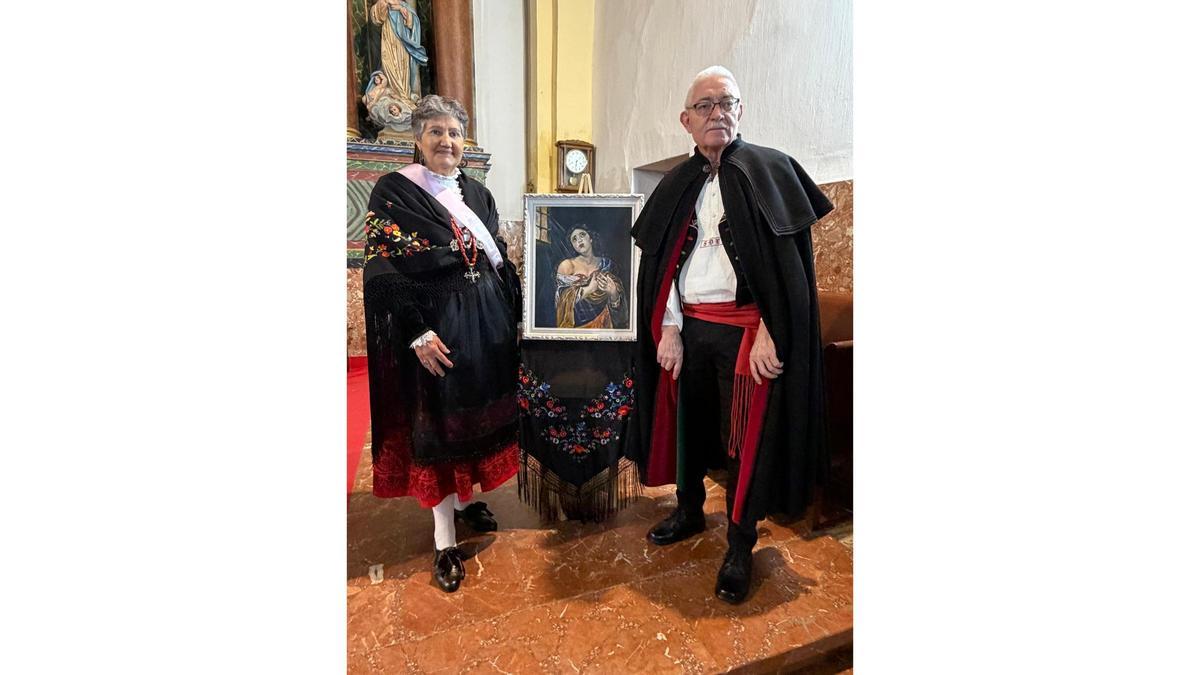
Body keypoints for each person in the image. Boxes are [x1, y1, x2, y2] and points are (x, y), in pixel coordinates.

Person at [629, 66, 834, 604]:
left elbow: (787, 273)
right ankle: (690, 510)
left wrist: (772, 328)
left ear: (740, 111)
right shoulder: (675, 184)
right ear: (686, 120)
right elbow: (664, 267)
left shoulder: (770, 170)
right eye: (704, 105)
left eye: (727, 102)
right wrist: (669, 326)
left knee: (747, 440)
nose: (716, 112)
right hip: (691, 328)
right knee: (690, 427)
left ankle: (741, 542)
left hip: (748, 334)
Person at [362, 95, 522, 593]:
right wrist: (417, 332)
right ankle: (444, 540)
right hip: (437, 331)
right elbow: (383, 268)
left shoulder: (479, 194)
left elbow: (495, 260)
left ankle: (464, 501)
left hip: (487, 326)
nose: (446, 141)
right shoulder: (394, 191)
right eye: (435, 131)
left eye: (454, 132)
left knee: (474, 419)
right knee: (440, 428)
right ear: (417, 139)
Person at [554, 225, 628, 329]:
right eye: (574, 239)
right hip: (577, 329)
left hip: (605, 324)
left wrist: (613, 293)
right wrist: (589, 289)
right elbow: (561, 300)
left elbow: (620, 308)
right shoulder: (567, 265)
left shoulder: (607, 264)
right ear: (573, 246)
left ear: (591, 239)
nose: (579, 240)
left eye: (582, 235)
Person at [370, 0, 429, 106]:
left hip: (403, 44)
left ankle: (405, 96)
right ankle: (395, 95)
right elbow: (376, 18)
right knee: (389, 65)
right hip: (388, 39)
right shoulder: (383, 2)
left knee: (403, 68)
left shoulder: (404, 4)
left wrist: (402, 10)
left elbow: (413, 23)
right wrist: (383, 5)